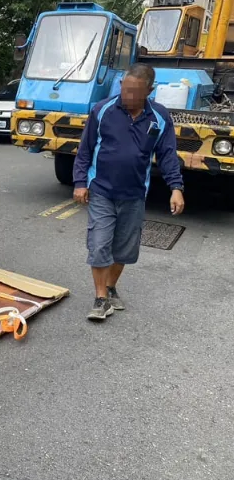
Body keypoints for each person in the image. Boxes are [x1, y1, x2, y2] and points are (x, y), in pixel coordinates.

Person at [73, 63, 185, 321]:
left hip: (134, 194)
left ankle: (111, 287)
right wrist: (80, 182)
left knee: (123, 249)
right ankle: (100, 299)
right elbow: (85, 150)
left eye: (134, 92)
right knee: (99, 244)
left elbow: (167, 155)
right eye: (124, 89)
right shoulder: (103, 110)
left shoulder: (159, 117)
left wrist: (176, 188)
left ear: (149, 91)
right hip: (101, 189)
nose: (127, 96)